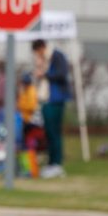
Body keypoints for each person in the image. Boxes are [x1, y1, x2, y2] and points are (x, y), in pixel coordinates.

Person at [32, 39, 71, 179]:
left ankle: (57, 163)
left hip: (55, 99)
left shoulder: (57, 56)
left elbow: (62, 75)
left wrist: (44, 74)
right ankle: (51, 163)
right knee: (48, 132)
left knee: (54, 132)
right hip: (46, 99)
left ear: (42, 48)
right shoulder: (43, 60)